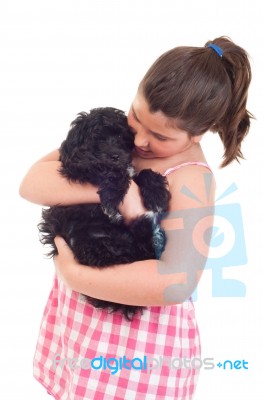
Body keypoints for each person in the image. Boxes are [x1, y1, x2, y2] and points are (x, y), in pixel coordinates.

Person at [19, 36, 252, 400]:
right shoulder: (119, 133)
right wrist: (118, 189)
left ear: (196, 134)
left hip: (139, 348)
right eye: (135, 115)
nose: (139, 139)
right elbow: (32, 183)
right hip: (84, 324)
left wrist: (76, 275)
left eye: (159, 135)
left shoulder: (191, 179)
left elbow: (176, 282)